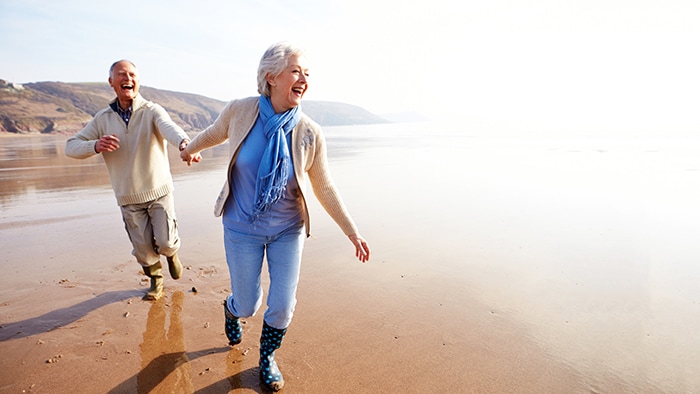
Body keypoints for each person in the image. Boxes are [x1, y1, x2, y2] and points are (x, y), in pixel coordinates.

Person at [180, 42, 371, 391]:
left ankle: (267, 358)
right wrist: (189, 150)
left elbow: (324, 187)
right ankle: (231, 309)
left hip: (288, 230)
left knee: (282, 306)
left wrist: (352, 232)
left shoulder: (310, 132)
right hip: (241, 228)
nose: (304, 79)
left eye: (307, 74)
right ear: (271, 76)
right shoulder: (240, 111)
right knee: (248, 303)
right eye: (296, 71)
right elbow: (212, 134)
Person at [65, 60, 199, 301]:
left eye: (132, 74)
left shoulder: (152, 110)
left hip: (158, 190)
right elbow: (70, 147)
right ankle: (156, 282)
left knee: (166, 242)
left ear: (138, 80)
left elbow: (170, 128)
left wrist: (185, 144)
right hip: (127, 196)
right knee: (143, 249)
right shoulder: (102, 118)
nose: (128, 78)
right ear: (111, 82)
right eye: (121, 75)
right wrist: (95, 145)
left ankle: (172, 254)